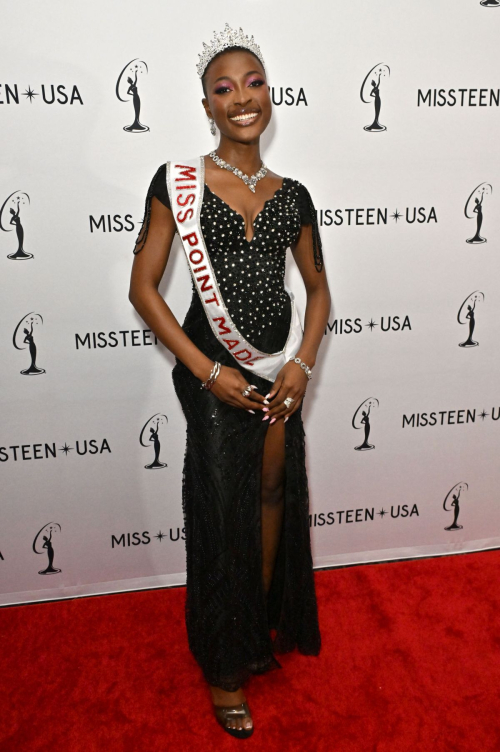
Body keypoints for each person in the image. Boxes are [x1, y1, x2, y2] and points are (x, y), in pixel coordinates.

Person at [128, 23, 331, 739]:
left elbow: (319, 294)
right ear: (207, 104)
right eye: (225, 88)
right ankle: (224, 665)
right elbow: (143, 289)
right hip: (210, 371)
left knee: (272, 492)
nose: (242, 97)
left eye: (254, 83)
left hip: (278, 373)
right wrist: (207, 370)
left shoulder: (294, 194)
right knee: (222, 508)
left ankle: (255, 627)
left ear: (269, 94)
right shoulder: (177, 183)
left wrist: (302, 365)